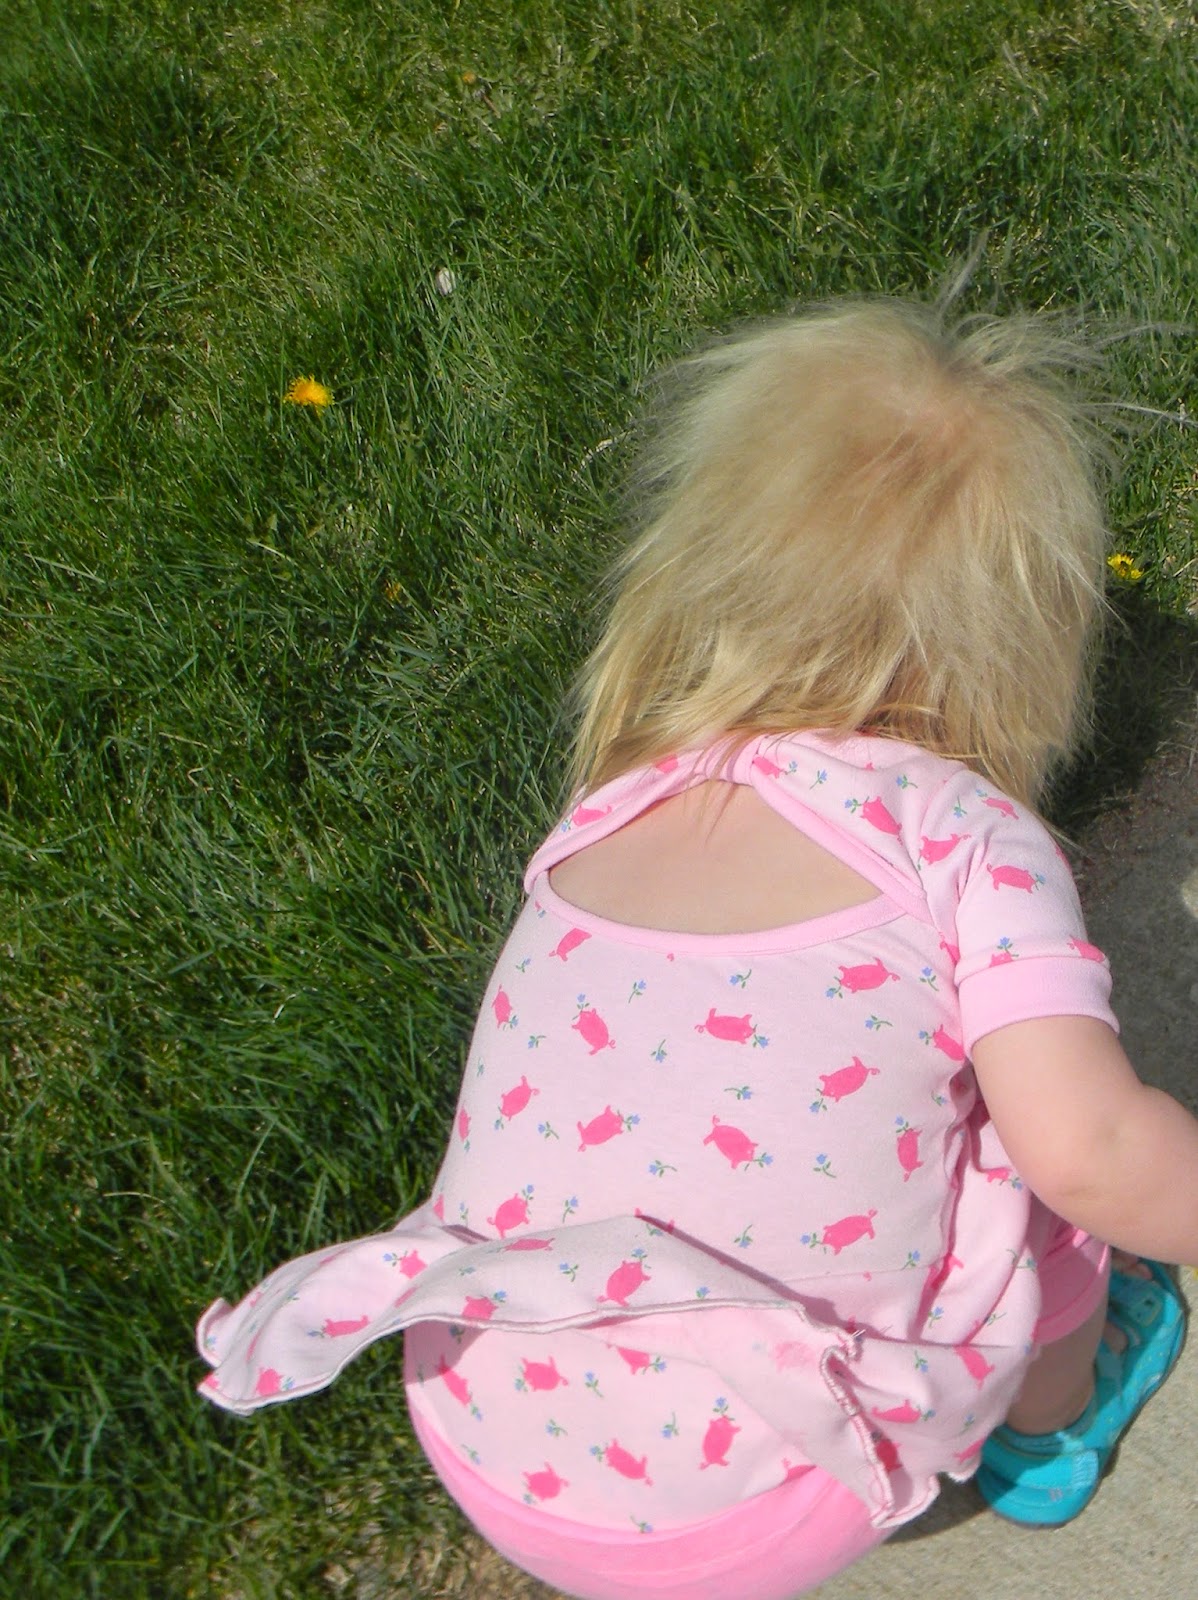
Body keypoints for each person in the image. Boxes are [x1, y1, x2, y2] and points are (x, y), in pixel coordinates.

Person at [197, 298, 1194, 1600]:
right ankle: (1050, 1430)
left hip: (486, 1428)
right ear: (1026, 644)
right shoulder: (962, 832)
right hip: (765, 1503)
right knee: (1028, 1148)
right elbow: (1093, 1153)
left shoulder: (612, 807)